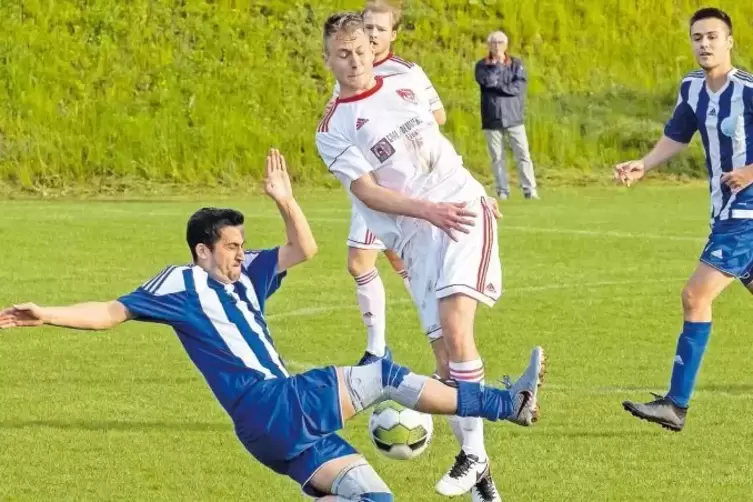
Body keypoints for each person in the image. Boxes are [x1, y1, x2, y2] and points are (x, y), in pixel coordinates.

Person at [0, 148, 543, 501]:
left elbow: (303, 247)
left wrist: (286, 201)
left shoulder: (247, 275)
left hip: (278, 434)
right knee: (382, 376)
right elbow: (111, 312)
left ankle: (502, 410)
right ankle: (506, 405)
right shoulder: (180, 285)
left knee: (375, 498)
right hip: (270, 403)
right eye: (232, 245)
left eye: (241, 244)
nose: (241, 252)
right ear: (202, 250)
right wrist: (47, 313)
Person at [315, 12, 545, 501]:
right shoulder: (333, 127)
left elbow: (436, 144)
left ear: (373, 44)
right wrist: (423, 213)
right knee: (444, 361)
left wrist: (472, 194)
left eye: (361, 47)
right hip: (416, 232)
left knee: (457, 326)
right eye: (343, 53)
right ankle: (482, 473)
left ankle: (478, 448)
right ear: (328, 59)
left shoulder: (406, 78)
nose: (355, 59)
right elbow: (369, 193)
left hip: (458, 209)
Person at [616, 7, 753, 432]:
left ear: (730, 41)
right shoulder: (692, 88)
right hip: (723, 212)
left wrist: (750, 171)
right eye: (697, 37)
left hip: (746, 213)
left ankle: (675, 405)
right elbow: (678, 134)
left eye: (713, 36)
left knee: (696, 296)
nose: (705, 44)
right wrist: (644, 164)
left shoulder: (748, 90)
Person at [330, 0, 448, 367]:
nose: (373, 34)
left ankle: (396, 345)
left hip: (402, 185)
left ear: (393, 34)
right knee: (375, 260)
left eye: (380, 28)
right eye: (368, 27)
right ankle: (385, 346)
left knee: (378, 260)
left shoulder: (405, 73)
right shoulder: (349, 76)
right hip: (370, 186)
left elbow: (436, 116)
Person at [475, 30, 539, 200]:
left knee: (523, 155)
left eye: (500, 42)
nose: (497, 46)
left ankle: (529, 189)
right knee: (497, 157)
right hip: (492, 118)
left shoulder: (517, 64)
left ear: (506, 45)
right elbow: (487, 81)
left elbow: (518, 88)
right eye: (494, 43)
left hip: (514, 118)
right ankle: (503, 190)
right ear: (489, 45)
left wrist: (499, 87)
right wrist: (497, 67)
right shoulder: (482, 65)